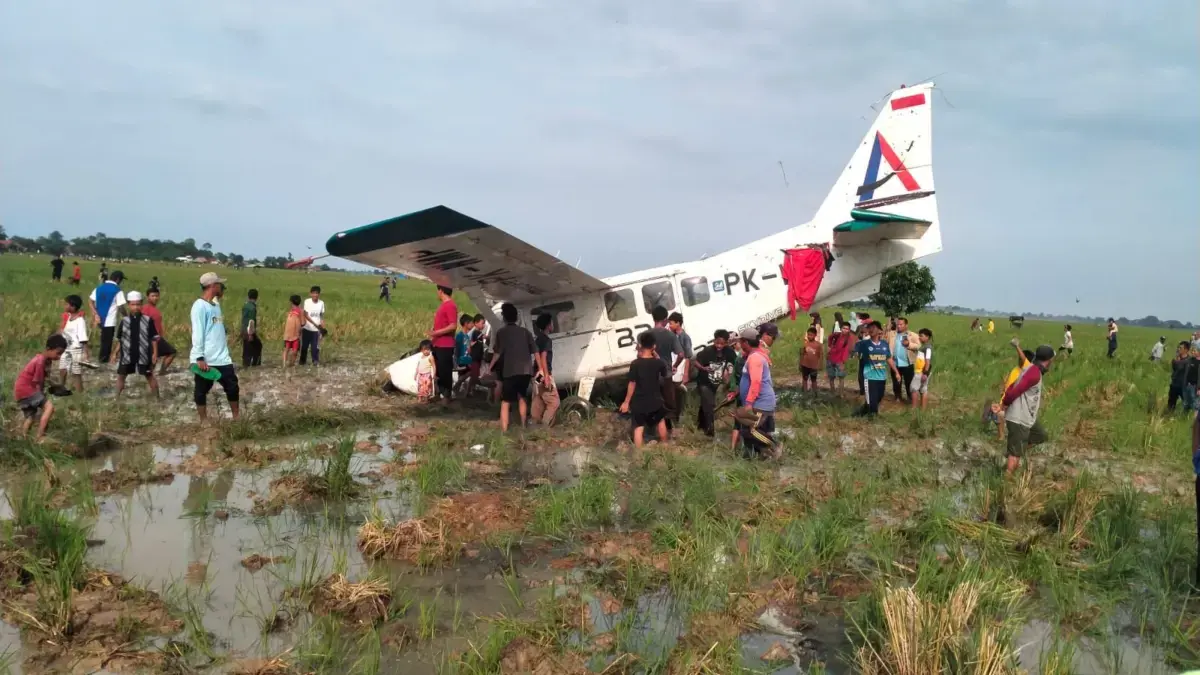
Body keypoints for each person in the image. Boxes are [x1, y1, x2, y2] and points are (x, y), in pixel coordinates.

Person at [190, 272, 239, 421]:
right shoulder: (199, 306)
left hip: (223, 357)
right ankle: (204, 421)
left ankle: (237, 418)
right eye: (219, 284)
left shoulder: (215, 304)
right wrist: (199, 357)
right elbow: (197, 332)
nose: (222, 286)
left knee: (232, 387)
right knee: (201, 391)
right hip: (207, 359)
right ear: (212, 286)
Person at [1001, 345, 1056, 475]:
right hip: (1019, 418)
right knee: (1015, 455)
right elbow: (1016, 389)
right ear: (1048, 360)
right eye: (1052, 359)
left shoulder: (1031, 368)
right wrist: (1004, 403)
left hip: (1027, 417)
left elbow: (1013, 385)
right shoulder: (1034, 373)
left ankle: (1013, 451)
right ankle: (1007, 481)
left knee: (1040, 435)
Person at [490, 303, 536, 432]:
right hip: (526, 371)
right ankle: (523, 426)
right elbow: (535, 350)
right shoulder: (525, 332)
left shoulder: (501, 333)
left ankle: (504, 431)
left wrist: (490, 367)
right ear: (516, 317)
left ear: (504, 318)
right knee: (522, 397)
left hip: (510, 371)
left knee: (505, 402)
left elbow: (497, 353)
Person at [620, 331, 669, 448]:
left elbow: (632, 383)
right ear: (654, 346)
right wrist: (656, 354)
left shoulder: (635, 364)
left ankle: (639, 455)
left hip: (639, 401)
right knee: (660, 422)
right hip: (655, 399)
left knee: (638, 428)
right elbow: (664, 373)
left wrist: (626, 402)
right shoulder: (659, 363)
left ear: (640, 345)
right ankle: (666, 446)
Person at [735, 327, 778, 459]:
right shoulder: (753, 356)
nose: (740, 345)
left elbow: (756, 382)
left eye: (741, 342)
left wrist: (748, 403)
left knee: (751, 430)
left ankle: (775, 446)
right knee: (753, 431)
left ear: (746, 343)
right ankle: (759, 457)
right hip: (757, 401)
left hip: (760, 402)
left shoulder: (755, 358)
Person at [14, 334, 66, 440]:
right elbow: (39, 381)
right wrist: (42, 394)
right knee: (49, 408)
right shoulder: (40, 361)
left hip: (20, 391)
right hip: (27, 389)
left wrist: (55, 387)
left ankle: (24, 438)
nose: (59, 357)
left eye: (61, 354)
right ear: (48, 349)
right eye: (58, 353)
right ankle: (40, 436)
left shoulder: (46, 361)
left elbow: (45, 379)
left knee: (30, 417)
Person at [112, 291, 160, 399]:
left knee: (149, 375)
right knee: (121, 376)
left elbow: (154, 338)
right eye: (133, 305)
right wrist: (115, 353)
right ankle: (116, 398)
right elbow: (120, 339)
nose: (136, 307)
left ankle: (157, 399)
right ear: (129, 305)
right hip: (127, 354)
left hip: (143, 354)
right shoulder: (124, 321)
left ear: (141, 304)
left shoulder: (148, 320)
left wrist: (155, 354)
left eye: (138, 304)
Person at [693, 329, 736, 437]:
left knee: (705, 404)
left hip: (716, 383)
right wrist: (703, 368)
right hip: (704, 382)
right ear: (714, 341)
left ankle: (700, 424)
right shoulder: (707, 351)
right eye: (717, 343)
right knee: (709, 404)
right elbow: (696, 362)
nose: (719, 346)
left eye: (722, 343)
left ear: (726, 342)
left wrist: (729, 373)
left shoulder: (729, 352)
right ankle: (709, 431)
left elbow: (734, 363)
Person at [649, 307, 684, 434]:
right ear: (665, 320)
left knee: (655, 403)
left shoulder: (645, 335)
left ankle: (656, 429)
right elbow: (681, 354)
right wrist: (675, 365)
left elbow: (639, 355)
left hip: (651, 376)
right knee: (669, 403)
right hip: (666, 374)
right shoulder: (670, 335)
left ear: (653, 318)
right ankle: (670, 430)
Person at [854, 321, 896, 417]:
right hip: (869, 376)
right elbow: (855, 349)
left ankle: (861, 413)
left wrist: (896, 372)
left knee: (878, 398)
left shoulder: (884, 344)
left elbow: (888, 358)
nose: (871, 329)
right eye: (870, 328)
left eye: (874, 327)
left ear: (880, 330)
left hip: (881, 377)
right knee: (871, 400)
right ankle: (873, 417)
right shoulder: (864, 344)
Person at [89, 270, 127, 363]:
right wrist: (127, 316)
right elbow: (121, 307)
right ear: (118, 279)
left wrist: (95, 313)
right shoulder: (117, 290)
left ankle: (102, 359)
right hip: (109, 321)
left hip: (99, 319)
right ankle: (103, 363)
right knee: (107, 343)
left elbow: (90, 301)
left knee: (103, 341)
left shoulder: (99, 288)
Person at [428, 286, 458, 402]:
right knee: (438, 370)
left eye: (438, 290)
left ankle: (446, 396)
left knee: (445, 371)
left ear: (441, 291)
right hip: (437, 343)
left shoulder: (450, 305)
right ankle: (438, 393)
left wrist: (436, 332)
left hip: (445, 344)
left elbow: (453, 325)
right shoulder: (443, 305)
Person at [531, 314, 560, 425]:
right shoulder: (547, 340)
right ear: (548, 325)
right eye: (551, 322)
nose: (553, 325)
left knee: (539, 399)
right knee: (554, 401)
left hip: (536, 373)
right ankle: (545, 425)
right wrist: (546, 376)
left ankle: (534, 422)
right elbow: (543, 357)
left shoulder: (538, 339)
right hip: (543, 372)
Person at [59, 295, 90, 392]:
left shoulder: (80, 321)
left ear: (73, 306)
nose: (65, 306)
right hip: (66, 348)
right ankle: (61, 389)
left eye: (66, 304)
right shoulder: (68, 318)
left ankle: (80, 393)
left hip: (76, 349)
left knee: (76, 373)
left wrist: (85, 353)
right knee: (62, 369)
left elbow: (83, 338)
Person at [142, 288, 176, 374]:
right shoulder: (145, 309)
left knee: (154, 360)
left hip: (157, 338)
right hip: (150, 338)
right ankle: (161, 374)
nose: (155, 298)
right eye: (152, 296)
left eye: (157, 296)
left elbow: (158, 326)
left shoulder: (156, 310)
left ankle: (155, 375)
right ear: (147, 297)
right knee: (171, 352)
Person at [888, 317, 919, 404]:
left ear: (906, 325)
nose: (899, 326)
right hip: (895, 363)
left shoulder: (912, 335)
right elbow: (884, 340)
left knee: (909, 382)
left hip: (907, 363)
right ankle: (897, 397)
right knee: (896, 382)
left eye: (901, 324)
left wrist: (909, 344)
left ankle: (910, 398)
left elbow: (918, 346)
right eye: (898, 324)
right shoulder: (892, 334)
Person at [300, 285, 326, 366]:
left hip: (316, 330)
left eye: (317, 293)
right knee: (304, 347)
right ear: (310, 294)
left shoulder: (321, 303)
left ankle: (315, 361)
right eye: (313, 293)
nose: (315, 295)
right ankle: (302, 362)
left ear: (319, 294)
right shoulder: (307, 302)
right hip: (307, 328)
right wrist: (314, 324)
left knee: (315, 348)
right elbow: (306, 315)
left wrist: (322, 328)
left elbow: (321, 316)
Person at [452, 314, 474, 397]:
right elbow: (456, 349)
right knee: (465, 374)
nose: (472, 325)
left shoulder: (467, 336)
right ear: (466, 324)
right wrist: (456, 361)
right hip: (461, 359)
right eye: (471, 323)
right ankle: (456, 389)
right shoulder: (460, 335)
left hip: (467, 359)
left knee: (465, 376)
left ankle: (458, 392)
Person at [826, 322, 852, 392]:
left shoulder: (848, 339)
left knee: (841, 377)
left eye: (847, 329)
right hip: (831, 358)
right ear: (841, 328)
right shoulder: (837, 335)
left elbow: (846, 351)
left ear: (849, 330)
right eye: (844, 328)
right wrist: (829, 346)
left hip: (840, 360)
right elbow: (829, 337)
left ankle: (841, 393)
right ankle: (832, 391)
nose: (845, 330)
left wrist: (843, 362)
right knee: (831, 377)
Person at [241, 289, 262, 367]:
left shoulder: (245, 305)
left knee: (247, 348)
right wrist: (250, 334)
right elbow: (251, 321)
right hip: (249, 331)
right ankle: (254, 364)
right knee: (256, 346)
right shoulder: (252, 308)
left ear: (248, 296)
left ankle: (246, 365)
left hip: (243, 329)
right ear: (256, 297)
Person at [914, 328, 934, 409]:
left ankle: (917, 408)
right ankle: (923, 409)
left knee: (915, 389)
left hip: (922, 372)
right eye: (919, 336)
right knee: (923, 389)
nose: (919, 337)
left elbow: (928, 361)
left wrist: (925, 373)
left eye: (921, 336)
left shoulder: (928, 348)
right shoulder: (924, 346)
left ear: (927, 337)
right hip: (921, 371)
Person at [1169, 342, 1192, 413]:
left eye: (1180, 348)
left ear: (1186, 350)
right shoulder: (1177, 358)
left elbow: (1180, 366)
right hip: (1174, 384)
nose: (1178, 349)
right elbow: (1174, 368)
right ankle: (1169, 415)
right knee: (1171, 403)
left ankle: (1185, 418)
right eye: (1178, 347)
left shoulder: (1189, 360)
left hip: (1183, 386)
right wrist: (1175, 360)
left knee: (1186, 404)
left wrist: (1176, 361)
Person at [283, 294, 303, 367]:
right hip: (290, 335)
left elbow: (302, 322)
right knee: (290, 349)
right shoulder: (292, 311)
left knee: (291, 350)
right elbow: (302, 322)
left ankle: (289, 363)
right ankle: (287, 364)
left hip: (294, 335)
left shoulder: (298, 311)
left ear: (291, 302)